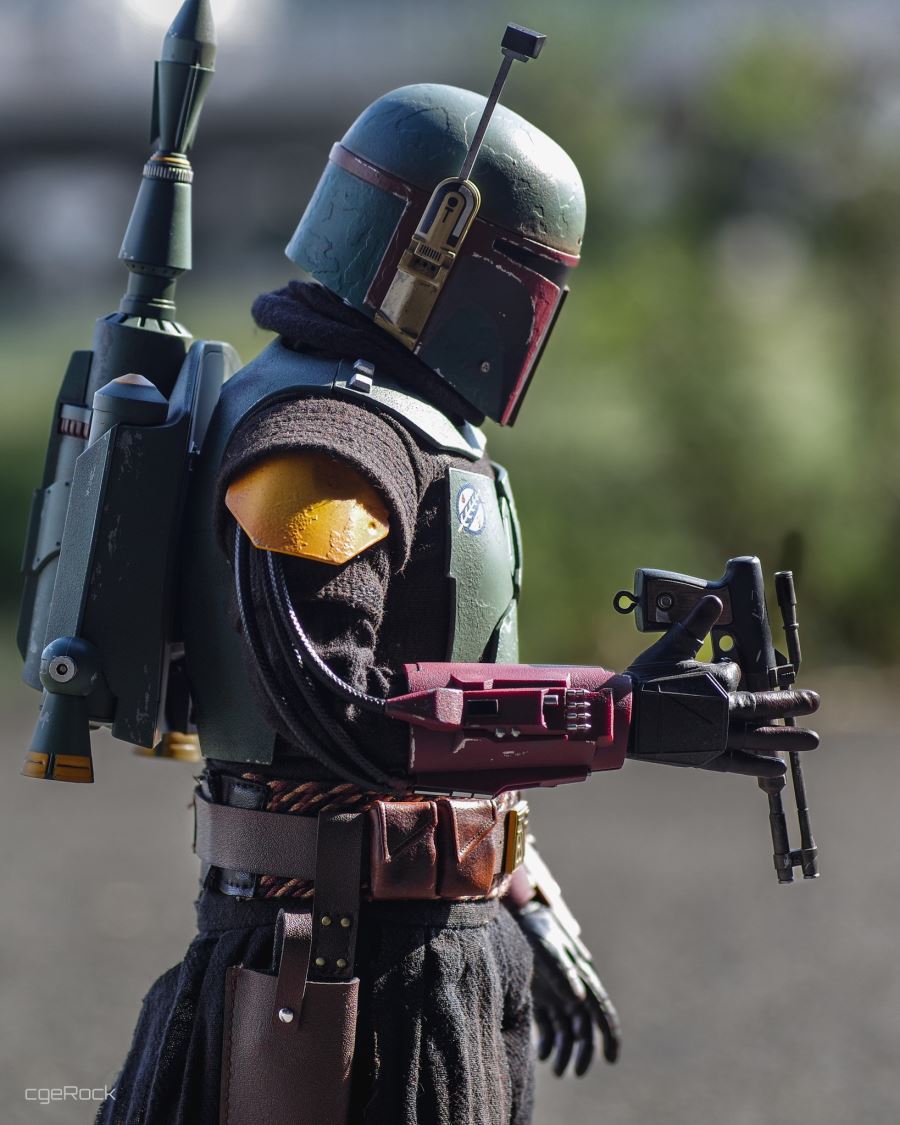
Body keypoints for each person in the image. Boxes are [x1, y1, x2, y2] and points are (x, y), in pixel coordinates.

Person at [95, 79, 819, 1125]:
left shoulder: (408, 428)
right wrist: (620, 716)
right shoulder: (322, 441)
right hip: (332, 976)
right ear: (434, 251)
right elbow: (333, 706)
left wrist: (519, 889)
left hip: (429, 957)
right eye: (526, 284)